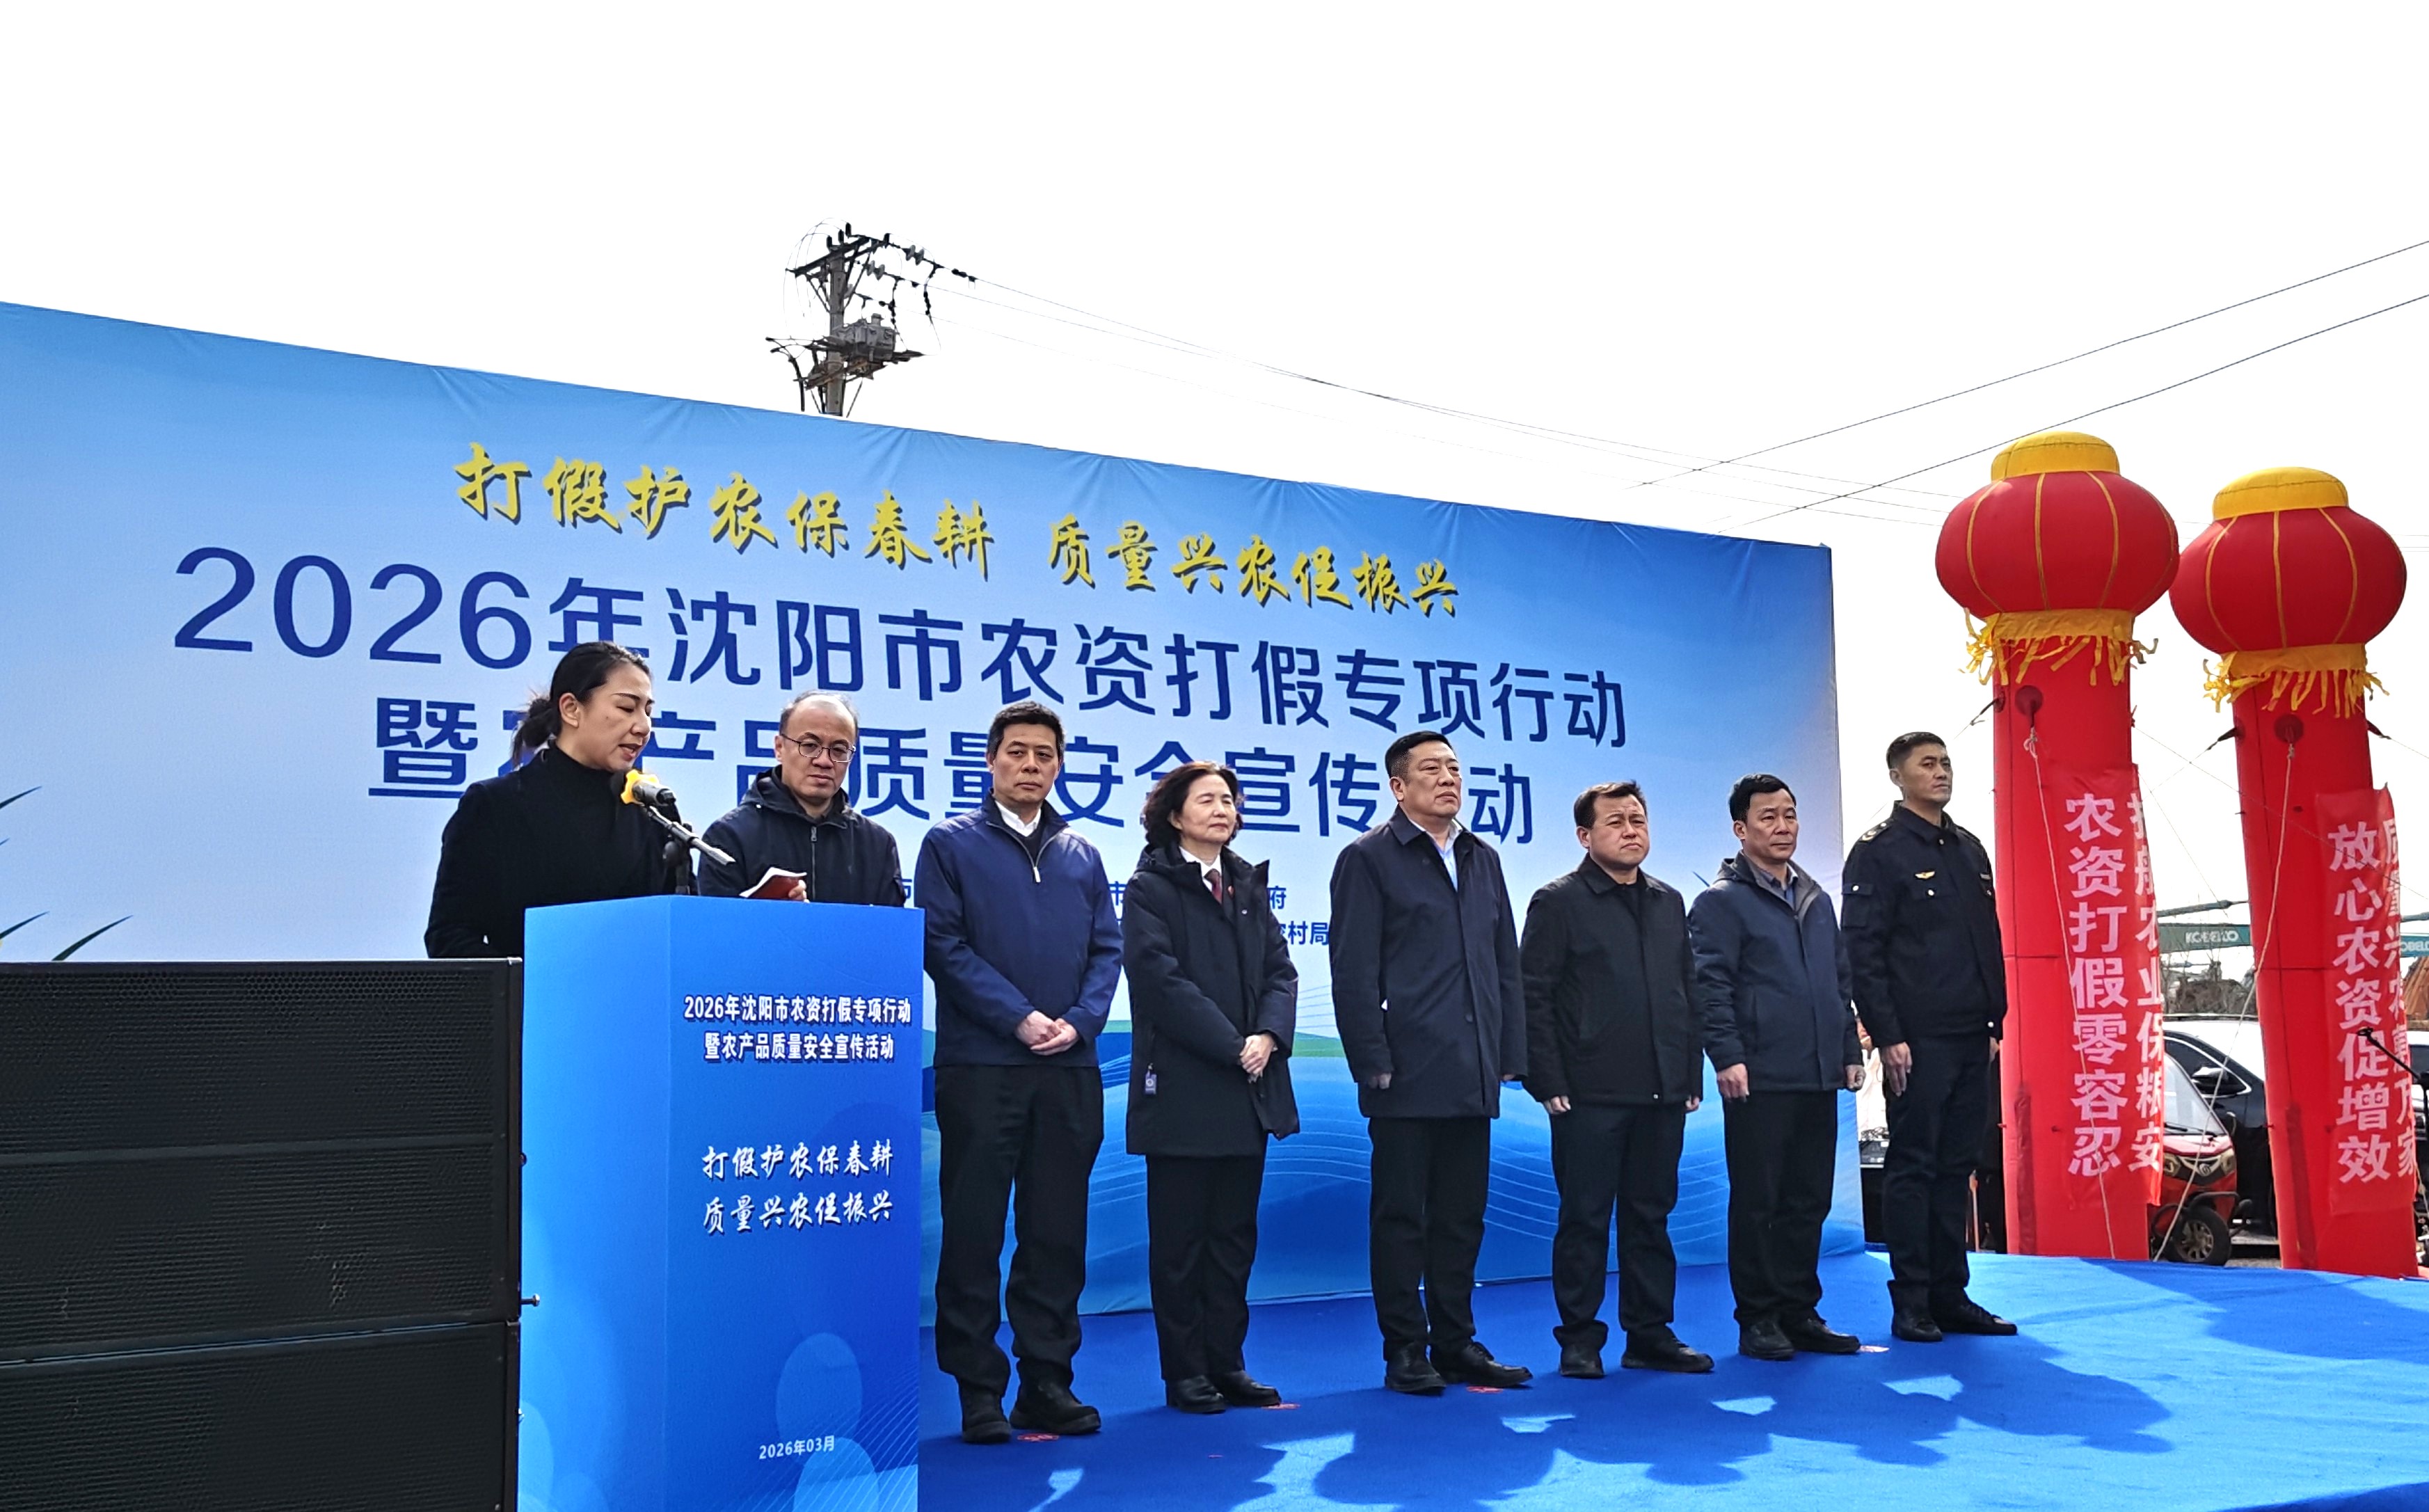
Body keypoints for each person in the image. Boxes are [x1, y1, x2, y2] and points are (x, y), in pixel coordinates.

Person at [917, 701, 1122, 1445]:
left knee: (1056, 1232)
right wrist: (1018, 1017)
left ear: (1058, 765)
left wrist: (1081, 1021)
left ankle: (1047, 1381)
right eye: (1017, 752)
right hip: (982, 1066)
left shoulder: (1082, 853)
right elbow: (942, 945)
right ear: (991, 760)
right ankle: (978, 1389)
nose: (1031, 765)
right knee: (973, 1231)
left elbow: (1108, 950)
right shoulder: (949, 843)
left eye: (1044, 754)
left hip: (1069, 1066)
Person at [1330, 730, 1532, 1395]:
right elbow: (1352, 970)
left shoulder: (1481, 857)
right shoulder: (1368, 858)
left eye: (1453, 767)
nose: (1448, 778)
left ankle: (1456, 1340)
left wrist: (1510, 1051)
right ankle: (1404, 1349)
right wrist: (1371, 1058)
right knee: (1401, 1218)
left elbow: (1504, 962)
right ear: (1398, 786)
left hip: (1472, 1068)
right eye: (1431, 769)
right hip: (1405, 1067)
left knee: (1461, 1215)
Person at [1122, 762, 1300, 1415]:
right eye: (1207, 800)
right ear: (1174, 815)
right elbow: (1159, 981)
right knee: (1180, 1245)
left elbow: (1281, 972)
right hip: (1183, 1088)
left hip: (1248, 1088)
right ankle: (1185, 1371)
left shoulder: (1247, 883)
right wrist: (1232, 1044)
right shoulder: (1149, 887)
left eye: (1229, 799)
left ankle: (1227, 1362)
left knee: (1232, 1240)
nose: (1223, 809)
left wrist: (1268, 1035)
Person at [1521, 782, 1714, 1380]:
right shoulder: (1558, 901)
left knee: (1651, 1216)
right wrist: (1546, 1076)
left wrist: (1687, 1070)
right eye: (1615, 822)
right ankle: (1579, 1338)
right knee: (1584, 1219)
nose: (1631, 830)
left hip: (1661, 1088)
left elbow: (1686, 992)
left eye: (1638, 819)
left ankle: (1649, 1333)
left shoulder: (1667, 900)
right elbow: (1533, 996)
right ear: (1585, 836)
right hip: (1587, 1092)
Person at [1842, 732, 2017, 1342]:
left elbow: (1986, 940)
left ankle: (1950, 1293)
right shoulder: (1879, 851)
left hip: (1972, 1036)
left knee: (1956, 1165)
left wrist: (1994, 1021)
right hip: (1916, 1041)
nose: (1941, 772)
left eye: (1945, 762)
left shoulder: (1967, 847)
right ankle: (1911, 1298)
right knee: (1913, 1166)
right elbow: (1863, 952)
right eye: (1926, 763)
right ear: (1897, 776)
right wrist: (1888, 1033)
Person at [1688, 774, 1865, 1362]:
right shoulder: (1720, 902)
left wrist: (1847, 1049)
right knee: (1758, 1202)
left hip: (1818, 1073)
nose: (1783, 826)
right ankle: (1758, 1317)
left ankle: (1799, 1310)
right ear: (1740, 830)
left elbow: (1839, 983)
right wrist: (1727, 1055)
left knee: (1808, 1200)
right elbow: (1710, 986)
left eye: (1789, 814)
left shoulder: (1815, 898)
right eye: (1768, 816)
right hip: (1758, 1075)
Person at [425, 642, 691, 958]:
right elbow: (449, 937)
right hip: (532, 991)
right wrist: (532, 980)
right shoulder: (495, 806)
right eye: (626, 708)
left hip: (642, 990)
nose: (644, 727)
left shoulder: (655, 810)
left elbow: (687, 929)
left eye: (648, 711)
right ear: (571, 709)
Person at [697, 692, 905, 906]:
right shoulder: (730, 836)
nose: (824, 761)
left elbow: (891, 926)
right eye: (810, 746)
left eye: (839, 750)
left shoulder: (877, 845)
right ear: (779, 748)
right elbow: (715, 924)